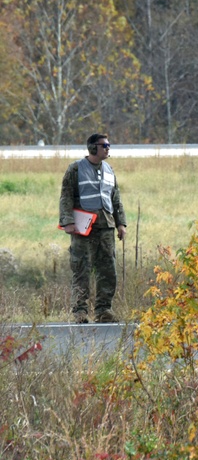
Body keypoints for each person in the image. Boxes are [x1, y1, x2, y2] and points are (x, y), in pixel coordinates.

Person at [59, 133, 127, 324]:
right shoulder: (75, 169)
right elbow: (66, 196)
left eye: (108, 145)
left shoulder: (109, 170)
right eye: (104, 145)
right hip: (83, 228)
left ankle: (104, 310)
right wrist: (68, 221)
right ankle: (80, 312)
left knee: (108, 269)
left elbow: (115, 199)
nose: (108, 148)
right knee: (81, 268)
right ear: (92, 148)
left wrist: (120, 223)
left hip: (106, 227)